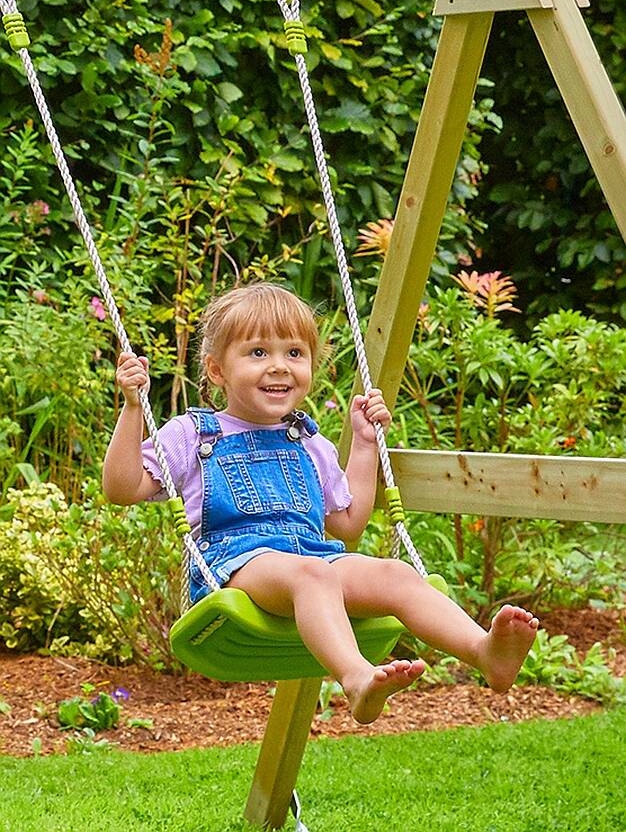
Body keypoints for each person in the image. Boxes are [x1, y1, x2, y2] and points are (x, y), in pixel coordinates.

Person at [103, 283, 539, 725]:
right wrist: (133, 408)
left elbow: (347, 524)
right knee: (312, 574)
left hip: (314, 560)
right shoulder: (193, 433)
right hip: (235, 567)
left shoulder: (310, 443)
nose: (279, 366)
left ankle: (483, 652)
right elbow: (122, 488)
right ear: (217, 370)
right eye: (258, 352)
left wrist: (364, 444)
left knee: (396, 573)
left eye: (294, 353)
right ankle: (356, 677)